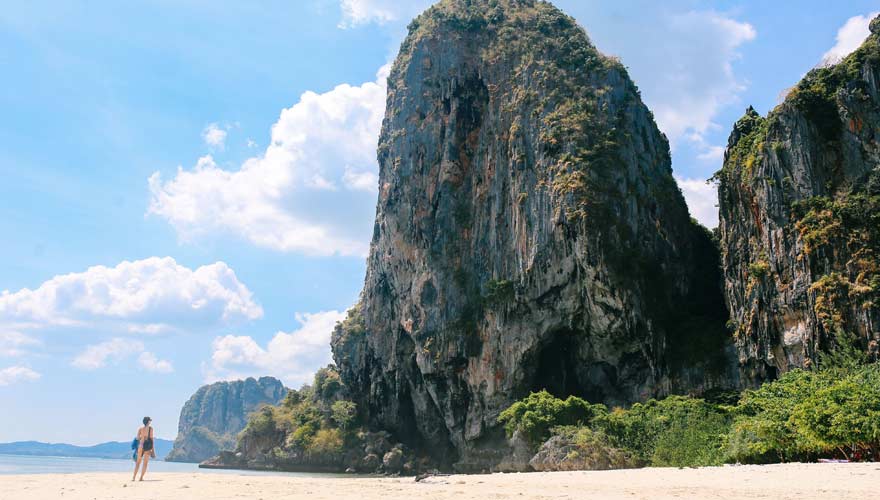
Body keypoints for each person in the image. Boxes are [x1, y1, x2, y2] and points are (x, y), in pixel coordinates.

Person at [132, 416, 156, 481]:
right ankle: (141, 478)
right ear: (148, 421)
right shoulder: (151, 429)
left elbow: (137, 438)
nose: (150, 422)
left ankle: (134, 477)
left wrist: (142, 437)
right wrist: (153, 450)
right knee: (145, 463)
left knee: (138, 463)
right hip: (147, 447)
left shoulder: (140, 429)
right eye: (150, 421)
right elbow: (151, 439)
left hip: (141, 446)